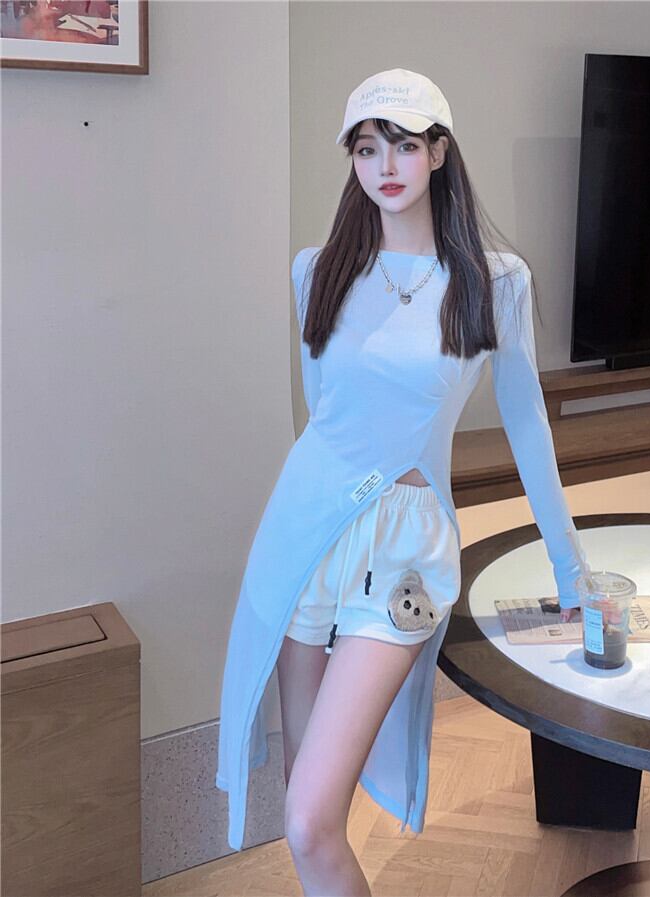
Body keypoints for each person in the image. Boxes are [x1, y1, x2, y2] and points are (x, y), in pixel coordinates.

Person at [215, 68, 587, 896]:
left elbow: (528, 426)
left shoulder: (495, 281)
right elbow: (325, 416)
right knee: (305, 809)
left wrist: (571, 568)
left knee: (309, 818)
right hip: (304, 534)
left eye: (405, 145)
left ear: (439, 153)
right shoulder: (317, 271)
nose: (385, 166)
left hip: (407, 550)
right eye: (366, 148)